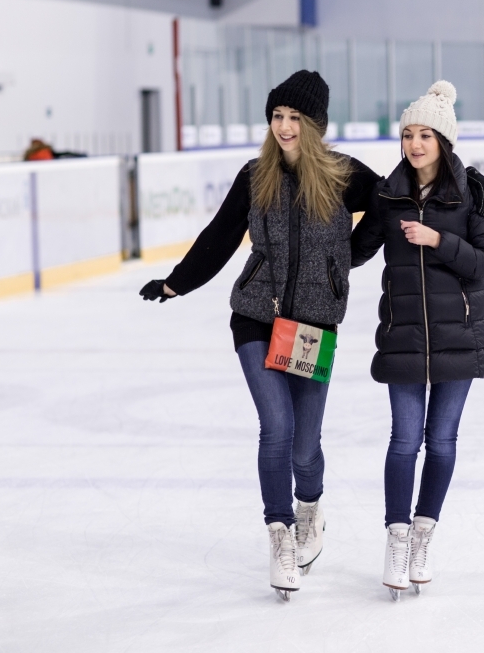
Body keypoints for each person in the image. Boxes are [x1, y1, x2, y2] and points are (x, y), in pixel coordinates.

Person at [138, 70, 382, 601]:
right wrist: (176, 283)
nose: (285, 127)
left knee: (303, 445)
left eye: (295, 118)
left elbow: (388, 207)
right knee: (275, 424)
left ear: (315, 125)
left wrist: (345, 260)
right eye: (277, 116)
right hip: (255, 315)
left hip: (312, 324)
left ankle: (309, 509)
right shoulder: (255, 176)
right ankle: (280, 535)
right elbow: (221, 235)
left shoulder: (344, 176)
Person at [350, 81, 484, 601]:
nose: (415, 144)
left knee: (441, 442)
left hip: (458, 334)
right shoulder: (389, 196)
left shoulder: (474, 192)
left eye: (425, 135)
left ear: (444, 140)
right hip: (403, 335)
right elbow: (355, 251)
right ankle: (395, 538)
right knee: (403, 440)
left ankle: (422, 537)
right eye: (408, 134)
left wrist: (438, 239)